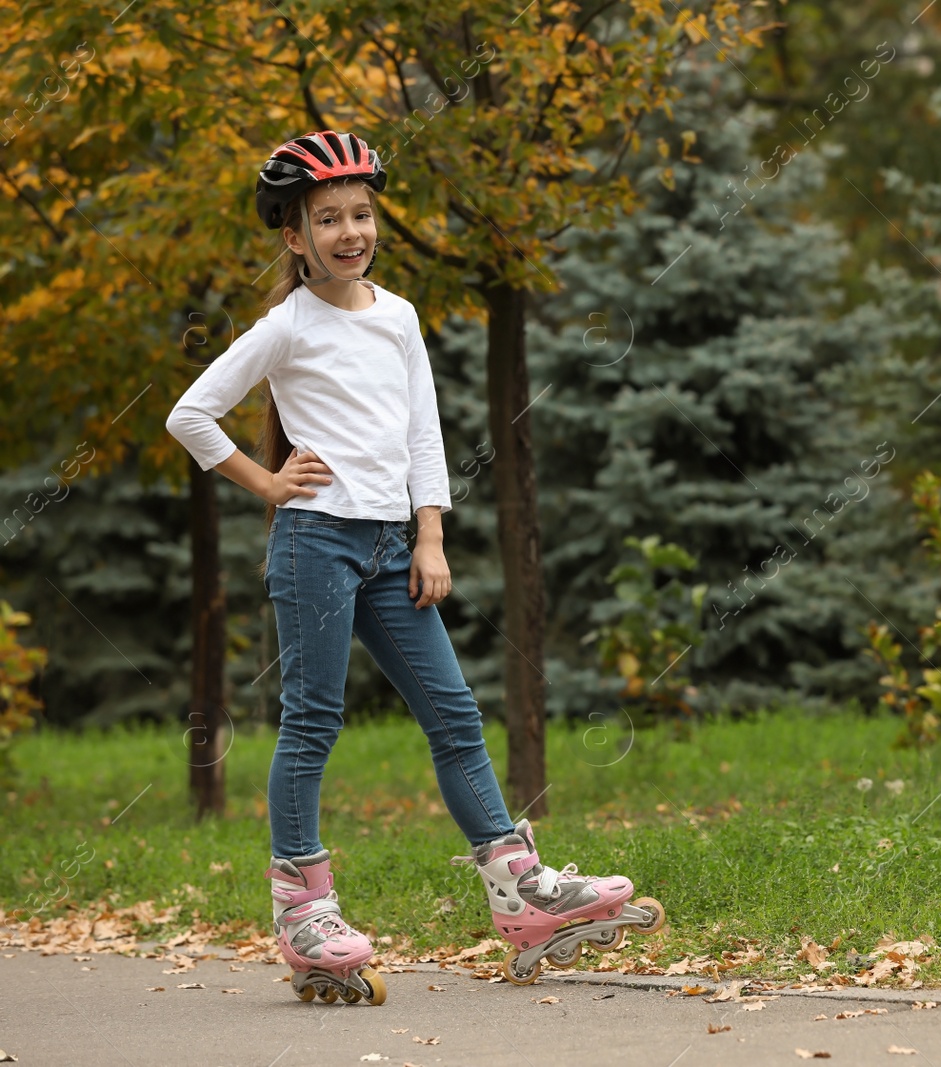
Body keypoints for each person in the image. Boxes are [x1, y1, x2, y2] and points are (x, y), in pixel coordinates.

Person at [164, 130, 660, 1005]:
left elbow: (422, 433)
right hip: (315, 542)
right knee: (314, 720)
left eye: (361, 213)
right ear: (295, 236)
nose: (350, 231)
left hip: (394, 546)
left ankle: (522, 889)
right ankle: (302, 910)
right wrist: (270, 484)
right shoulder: (284, 327)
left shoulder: (396, 315)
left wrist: (429, 534)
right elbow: (191, 415)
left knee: (455, 713)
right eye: (328, 219)